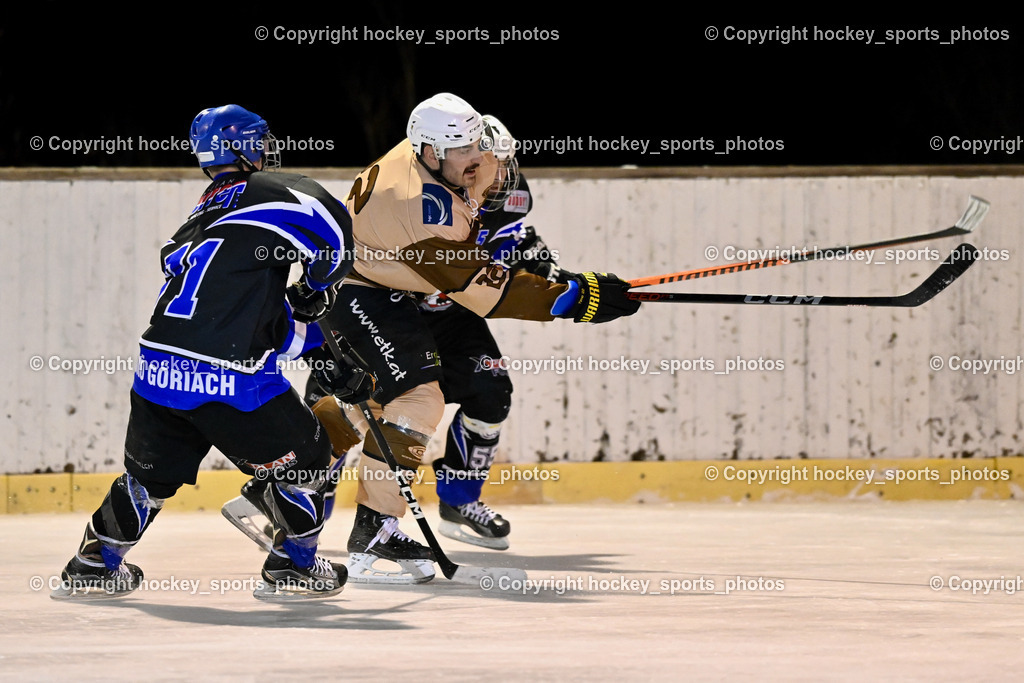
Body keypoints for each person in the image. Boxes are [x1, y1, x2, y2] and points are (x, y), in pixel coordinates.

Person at [305, 92, 641, 585]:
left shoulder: (472, 177)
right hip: (390, 303)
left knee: (488, 391)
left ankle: (455, 504)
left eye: (494, 158)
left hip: (444, 312)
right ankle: (303, 500)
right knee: (362, 405)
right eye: (477, 157)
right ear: (435, 152)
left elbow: (522, 258)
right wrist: (570, 300)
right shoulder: (425, 203)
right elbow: (483, 287)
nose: (492, 171)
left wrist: (571, 283)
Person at [51, 104, 354, 601]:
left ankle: (93, 564)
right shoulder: (270, 191)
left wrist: (323, 356)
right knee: (314, 462)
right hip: (228, 382)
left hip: (157, 370)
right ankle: (292, 567)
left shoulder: (201, 216)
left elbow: (239, 313)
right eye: (258, 141)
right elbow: (334, 228)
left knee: (148, 480)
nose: (266, 150)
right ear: (241, 148)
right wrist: (317, 287)